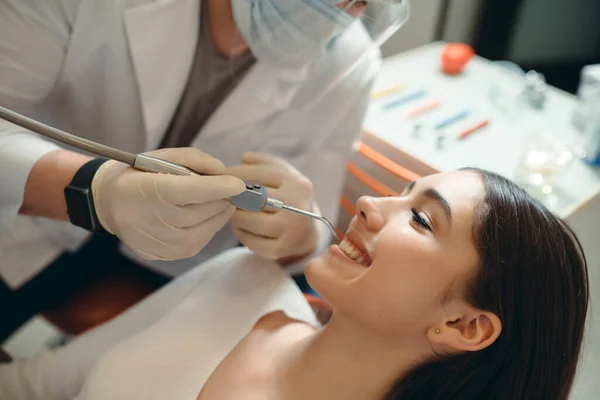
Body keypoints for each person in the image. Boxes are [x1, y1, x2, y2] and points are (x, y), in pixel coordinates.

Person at [0, 0, 408, 337]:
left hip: (187, 263)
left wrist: (302, 234)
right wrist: (99, 192)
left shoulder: (348, 59)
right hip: (32, 223)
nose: (338, 10)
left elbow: (314, 216)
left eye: (358, 2)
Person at [0, 169, 589, 400]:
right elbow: (33, 385)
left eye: (420, 218)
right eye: (402, 189)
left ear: (465, 325)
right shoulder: (244, 282)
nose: (366, 202)